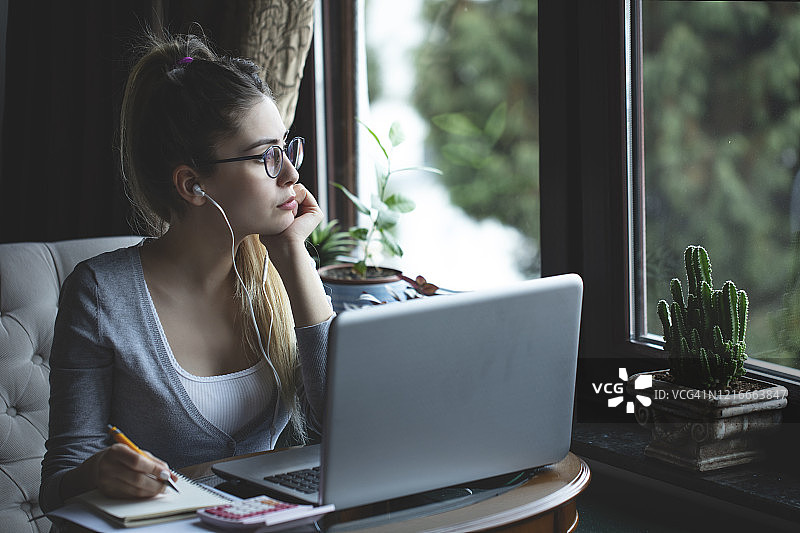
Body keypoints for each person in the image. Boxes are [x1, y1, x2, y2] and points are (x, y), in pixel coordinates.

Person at [40, 32, 333, 512]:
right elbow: (56, 487)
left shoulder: (279, 279)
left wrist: (295, 256)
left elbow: (346, 431)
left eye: (287, 148)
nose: (291, 176)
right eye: (266, 157)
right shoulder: (99, 294)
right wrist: (99, 473)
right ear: (193, 184)